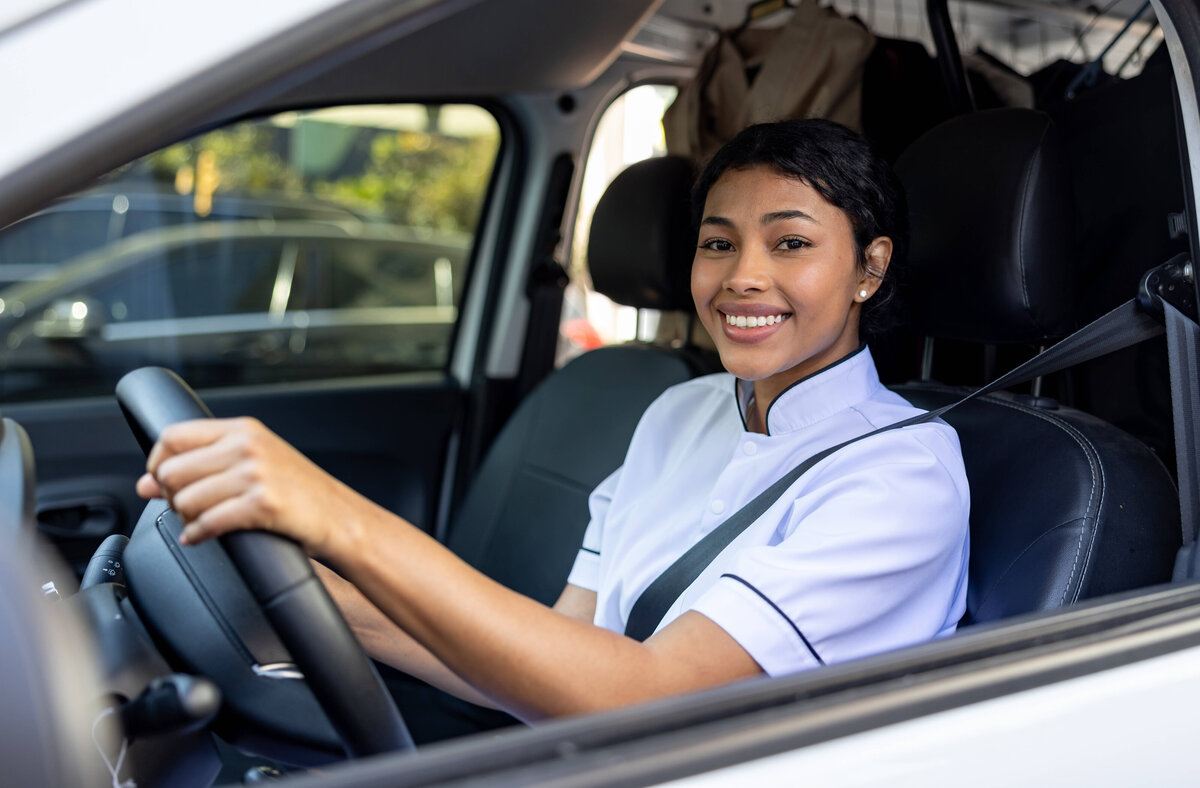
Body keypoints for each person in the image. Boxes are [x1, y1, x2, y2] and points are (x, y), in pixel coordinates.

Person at [136, 119, 969, 724]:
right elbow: (558, 658)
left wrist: (336, 518)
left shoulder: (900, 477)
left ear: (870, 267)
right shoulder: (678, 411)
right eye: (718, 244)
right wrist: (294, 593)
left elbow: (649, 699)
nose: (742, 277)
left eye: (790, 244)